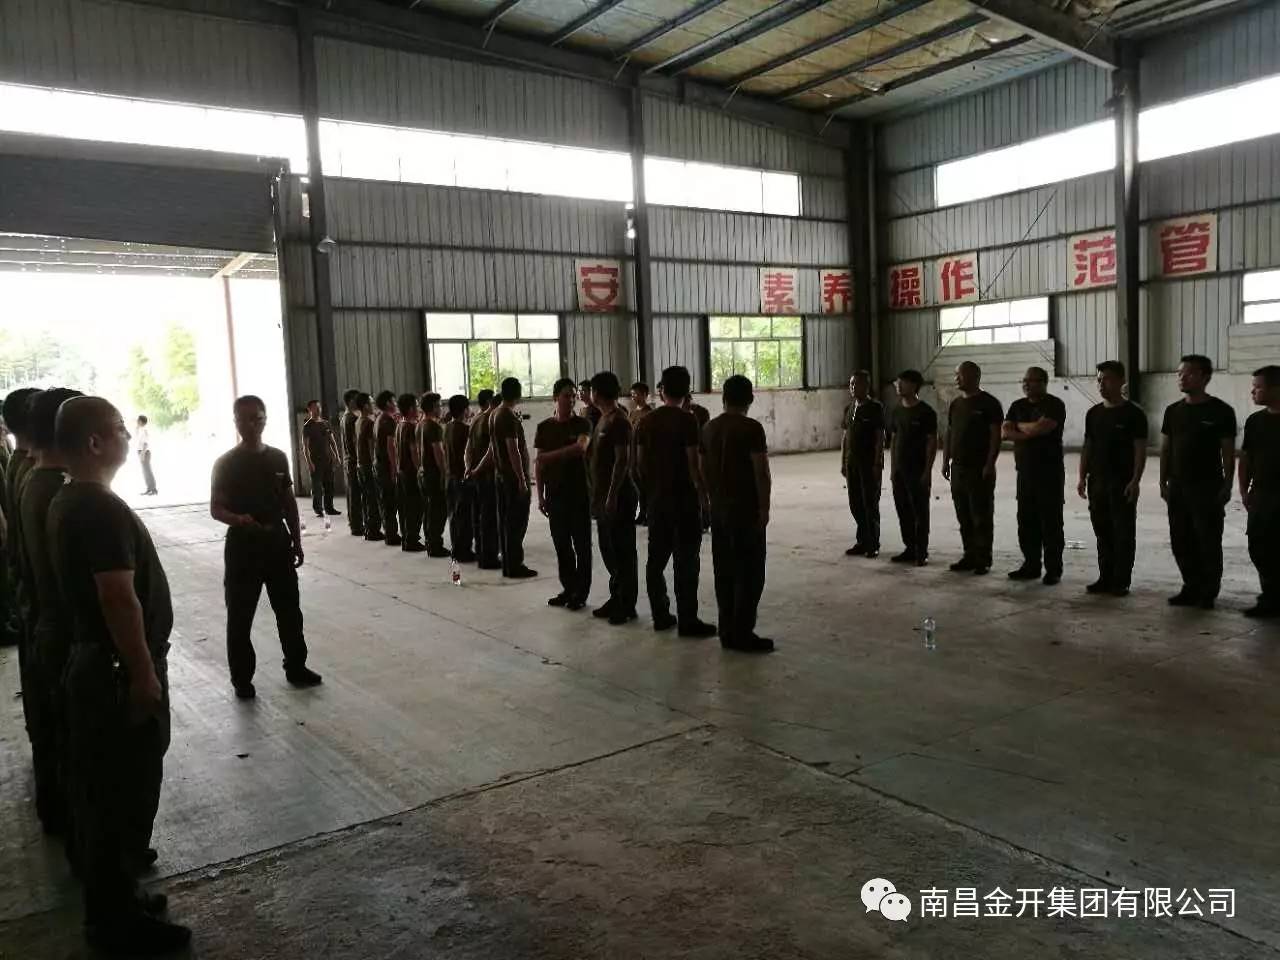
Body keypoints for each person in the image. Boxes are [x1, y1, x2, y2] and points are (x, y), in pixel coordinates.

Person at [48, 396, 191, 954]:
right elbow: (117, 597)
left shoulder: (71, 498)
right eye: (118, 430)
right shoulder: (98, 508)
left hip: (97, 664)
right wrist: (141, 674)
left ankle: (120, 898)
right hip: (114, 671)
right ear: (94, 443)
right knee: (122, 795)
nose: (127, 438)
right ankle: (115, 924)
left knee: (110, 793)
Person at [210, 396, 323, 700]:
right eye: (244, 419)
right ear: (235, 422)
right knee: (240, 615)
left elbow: (288, 502)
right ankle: (242, 679)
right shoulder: (226, 464)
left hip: (277, 544)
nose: (251, 424)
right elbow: (216, 508)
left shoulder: (277, 458)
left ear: (265, 419)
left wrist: (296, 541)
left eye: (257, 418)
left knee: (289, 611)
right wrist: (239, 519)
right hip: (243, 548)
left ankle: (296, 667)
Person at [18, 387, 82, 837]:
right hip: (64, 635)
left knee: (54, 733)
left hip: (46, 624)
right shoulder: (57, 491)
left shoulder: (35, 479)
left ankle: (59, 813)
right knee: (73, 744)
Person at [635, 366, 715, 636]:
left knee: (656, 561)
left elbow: (639, 465)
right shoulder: (688, 420)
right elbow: (694, 466)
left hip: (657, 502)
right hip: (684, 503)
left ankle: (660, 615)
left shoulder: (646, 421)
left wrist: (651, 491)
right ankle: (688, 620)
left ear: (662, 390)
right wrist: (704, 498)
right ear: (687, 390)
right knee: (686, 563)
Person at [703, 375, 773, 653]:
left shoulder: (709, 428)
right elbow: (761, 472)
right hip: (745, 511)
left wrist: (710, 500)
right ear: (750, 399)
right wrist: (764, 508)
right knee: (749, 573)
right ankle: (743, 633)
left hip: (719, 510)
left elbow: (701, 470)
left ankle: (727, 631)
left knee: (724, 572)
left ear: (723, 398)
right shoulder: (751, 429)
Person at [1160, 354, 1236, 609]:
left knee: (1207, 540)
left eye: (1189, 373)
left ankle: (1208, 592)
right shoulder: (1173, 411)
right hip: (1178, 487)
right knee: (1180, 539)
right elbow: (1166, 449)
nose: (1182, 378)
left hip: (1207, 487)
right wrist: (1162, 482)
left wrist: (1227, 484)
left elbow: (1227, 452)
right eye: (1179, 373)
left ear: (1205, 377)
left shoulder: (1221, 411)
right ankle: (1190, 586)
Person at [1077, 361, 1148, 598]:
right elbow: (1087, 446)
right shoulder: (1093, 414)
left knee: (1123, 532)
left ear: (1121, 381)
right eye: (1099, 380)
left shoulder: (1134, 414)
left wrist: (1135, 480)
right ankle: (1105, 577)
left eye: (1106, 379)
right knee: (1102, 531)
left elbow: (1139, 449)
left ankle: (1121, 581)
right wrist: (1081, 476)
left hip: (1122, 483)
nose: (1101, 384)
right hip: (1097, 482)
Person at [1001, 367, 1067, 585]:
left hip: (1049, 474)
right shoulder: (1017, 406)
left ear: (1044, 382)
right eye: (1024, 380)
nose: (1026, 384)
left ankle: (1053, 570)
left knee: (1050, 522)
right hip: (1025, 473)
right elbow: (1005, 432)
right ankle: (1031, 565)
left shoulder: (1054, 405)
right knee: (1026, 521)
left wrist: (1020, 428)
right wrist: (1029, 429)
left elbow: (1042, 429)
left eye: (1031, 380)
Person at [535, 378, 592, 609]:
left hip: (579, 494)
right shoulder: (544, 427)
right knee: (562, 546)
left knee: (582, 546)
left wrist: (549, 457)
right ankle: (568, 588)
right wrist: (540, 496)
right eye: (566, 395)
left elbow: (581, 448)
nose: (571, 400)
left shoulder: (583, 424)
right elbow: (539, 466)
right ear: (555, 397)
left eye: (573, 396)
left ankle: (581, 593)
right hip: (555, 495)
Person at [942, 361, 1003, 575]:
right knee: (964, 515)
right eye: (956, 374)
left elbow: (995, 435)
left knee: (981, 516)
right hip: (958, 468)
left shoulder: (989, 403)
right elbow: (950, 432)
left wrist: (990, 464)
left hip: (979, 469)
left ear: (974, 376)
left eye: (960, 375)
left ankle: (983, 559)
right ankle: (969, 555)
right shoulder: (956, 404)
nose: (956, 379)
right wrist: (945, 460)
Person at [589, 371, 638, 625]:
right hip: (603, 496)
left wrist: (612, 495)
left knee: (622, 551)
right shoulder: (603, 418)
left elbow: (622, 461)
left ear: (596, 393)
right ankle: (616, 596)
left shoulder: (619, 421)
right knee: (609, 550)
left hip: (618, 496)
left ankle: (626, 604)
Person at [1239, 365, 1280, 618]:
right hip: (1262, 496)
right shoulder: (1255, 422)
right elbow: (1246, 458)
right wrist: (1244, 490)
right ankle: (1270, 598)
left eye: (1258, 387)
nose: (1253, 392)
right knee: (1260, 547)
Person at [487, 378, 537, 579]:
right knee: (516, 522)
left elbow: (493, 449)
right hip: (511, 478)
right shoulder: (507, 416)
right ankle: (515, 565)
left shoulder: (494, 414)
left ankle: (508, 563)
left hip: (500, 476)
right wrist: (522, 479)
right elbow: (513, 450)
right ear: (518, 393)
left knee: (506, 522)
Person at [888, 370, 937, 566]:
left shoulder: (926, 412)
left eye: (902, 382)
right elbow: (893, 440)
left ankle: (921, 551)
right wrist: (892, 469)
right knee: (903, 510)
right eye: (897, 382)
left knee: (920, 512)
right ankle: (910, 548)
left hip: (917, 470)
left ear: (914, 385)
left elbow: (932, 442)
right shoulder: (896, 411)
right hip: (899, 471)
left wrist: (927, 471)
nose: (898, 386)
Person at [840, 370, 884, 558]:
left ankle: (873, 543)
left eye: (856, 383)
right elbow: (845, 436)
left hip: (869, 464)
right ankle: (862, 541)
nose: (852, 387)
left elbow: (880, 436)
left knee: (870, 503)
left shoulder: (875, 408)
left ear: (866, 386)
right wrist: (843, 461)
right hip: (852, 463)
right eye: (851, 384)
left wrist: (877, 463)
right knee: (855, 503)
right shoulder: (849, 408)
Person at [466, 389, 501, 569]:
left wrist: (469, 468)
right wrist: (478, 469)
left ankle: (481, 552)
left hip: (476, 476)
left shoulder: (475, 419)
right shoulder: (492, 419)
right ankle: (489, 557)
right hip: (487, 476)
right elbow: (492, 452)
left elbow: (468, 448)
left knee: (478, 516)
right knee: (490, 518)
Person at [417, 393, 450, 557]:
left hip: (423, 472)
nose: (441, 408)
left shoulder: (420, 425)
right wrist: (444, 473)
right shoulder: (433, 427)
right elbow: (438, 452)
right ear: (433, 407)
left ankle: (430, 541)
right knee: (438, 511)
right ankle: (435, 545)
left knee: (429, 510)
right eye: (439, 405)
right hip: (434, 473)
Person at [443, 395, 475, 562]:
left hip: (450, 477)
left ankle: (456, 548)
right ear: (464, 410)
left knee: (454, 516)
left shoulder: (447, 428)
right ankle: (464, 550)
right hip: (462, 477)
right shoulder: (465, 430)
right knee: (464, 517)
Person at [394, 393, 426, 553]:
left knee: (405, 508)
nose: (418, 408)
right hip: (410, 472)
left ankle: (407, 537)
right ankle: (412, 540)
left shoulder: (400, 425)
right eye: (416, 405)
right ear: (411, 408)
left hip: (401, 471)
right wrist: (420, 469)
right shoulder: (411, 427)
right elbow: (414, 451)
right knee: (415, 507)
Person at [301, 400, 342, 521]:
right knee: (317, 487)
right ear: (309, 410)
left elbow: (332, 441)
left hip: (327, 459)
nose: (318, 409)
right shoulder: (307, 426)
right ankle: (318, 509)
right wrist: (309, 462)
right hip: (315, 460)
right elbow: (305, 447)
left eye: (319, 407)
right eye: (315, 407)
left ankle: (329, 507)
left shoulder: (326, 423)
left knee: (329, 485)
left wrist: (337, 455)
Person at [372, 390, 402, 547]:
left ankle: (389, 532)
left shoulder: (379, 419)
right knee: (389, 501)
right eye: (393, 401)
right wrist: (394, 468)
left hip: (379, 464)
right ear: (388, 403)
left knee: (385, 501)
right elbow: (391, 447)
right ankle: (391, 535)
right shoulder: (388, 421)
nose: (395, 403)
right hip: (385, 465)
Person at [353, 392, 383, 541]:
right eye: (371, 403)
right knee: (373, 499)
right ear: (365, 406)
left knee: (365, 498)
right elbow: (372, 447)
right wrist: (374, 464)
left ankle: (368, 528)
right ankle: (373, 530)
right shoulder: (369, 423)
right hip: (368, 464)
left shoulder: (358, 421)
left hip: (360, 464)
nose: (373, 405)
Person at [339, 389, 365, 536]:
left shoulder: (344, 418)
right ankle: (357, 526)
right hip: (354, 460)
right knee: (355, 495)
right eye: (356, 400)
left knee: (352, 494)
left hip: (348, 460)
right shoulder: (352, 419)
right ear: (350, 401)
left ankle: (354, 523)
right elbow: (356, 442)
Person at [629, 382, 653, 525]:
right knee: (637, 486)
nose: (634, 397)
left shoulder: (650, 413)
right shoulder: (632, 413)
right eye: (632, 394)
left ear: (645, 395)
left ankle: (648, 514)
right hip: (632, 454)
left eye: (636, 394)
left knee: (646, 486)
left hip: (644, 455)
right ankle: (642, 512)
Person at [135, 415, 158, 496]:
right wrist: (137, 428)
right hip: (141, 451)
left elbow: (145, 443)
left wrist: (142, 453)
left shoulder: (144, 430)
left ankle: (153, 489)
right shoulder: (140, 429)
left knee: (147, 471)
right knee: (145, 471)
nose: (136, 421)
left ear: (141, 421)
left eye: (138, 420)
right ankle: (149, 489)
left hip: (144, 452)